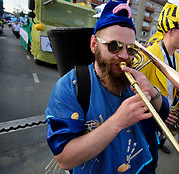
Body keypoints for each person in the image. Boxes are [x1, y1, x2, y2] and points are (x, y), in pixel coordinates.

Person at [45, 1, 170, 173]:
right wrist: (118, 122)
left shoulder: (133, 79)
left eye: (131, 49)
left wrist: (152, 90)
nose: (125, 56)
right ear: (94, 45)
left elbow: (161, 117)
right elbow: (64, 160)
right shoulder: (70, 86)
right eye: (114, 46)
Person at [140, 3, 179, 155]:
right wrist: (160, 113)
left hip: (163, 119)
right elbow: (134, 92)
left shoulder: (177, 58)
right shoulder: (148, 54)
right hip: (145, 124)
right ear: (170, 30)